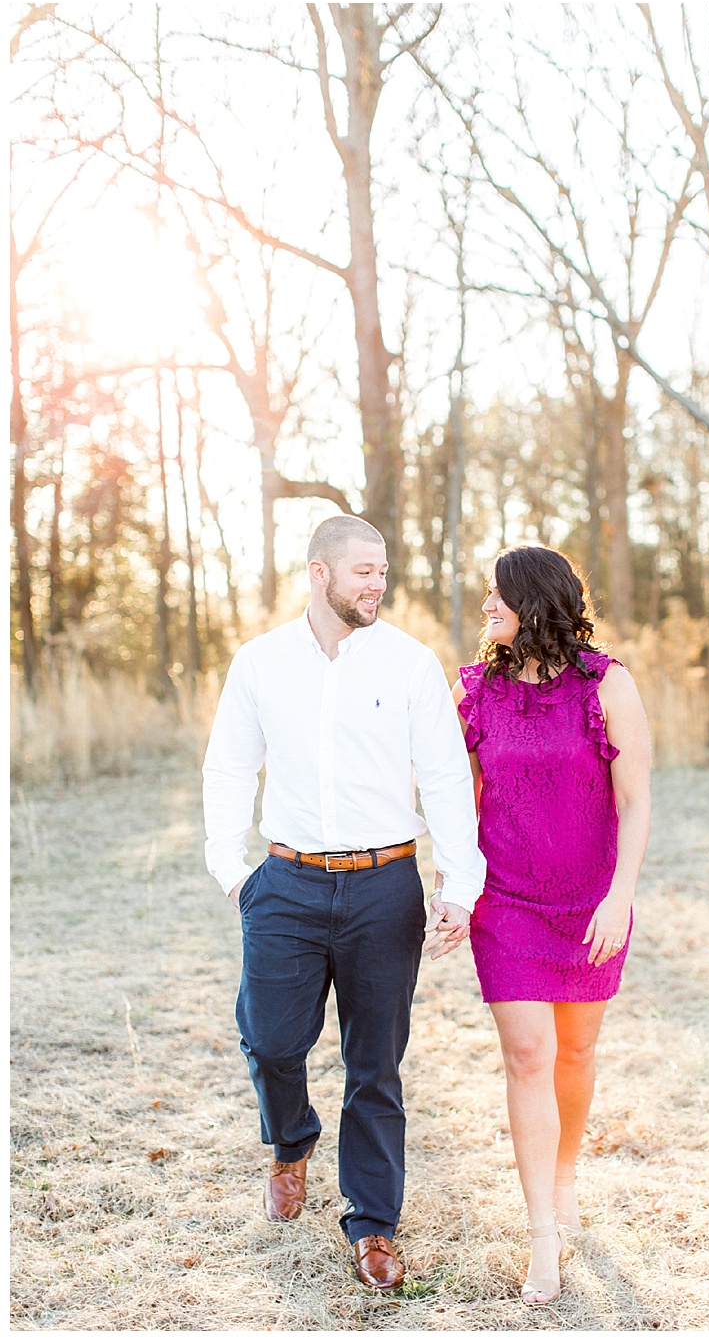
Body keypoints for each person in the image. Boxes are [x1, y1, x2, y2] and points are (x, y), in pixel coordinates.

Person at [202, 513, 485, 1293]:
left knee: (375, 1065)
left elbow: (448, 779)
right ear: (319, 573)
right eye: (363, 570)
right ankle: (290, 1143)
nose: (378, 583)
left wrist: (458, 885)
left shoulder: (410, 664)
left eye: (383, 570)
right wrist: (235, 872)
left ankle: (373, 1225)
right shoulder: (260, 663)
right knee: (270, 1040)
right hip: (285, 883)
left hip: (383, 885)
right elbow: (229, 768)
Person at [449, 544, 651, 1306]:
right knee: (529, 1054)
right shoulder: (473, 690)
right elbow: (453, 796)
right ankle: (542, 1233)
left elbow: (634, 800)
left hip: (590, 901)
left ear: (531, 600)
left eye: (495, 597)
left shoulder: (608, 684)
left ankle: (567, 1174)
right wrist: (455, 889)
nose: (484, 609)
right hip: (507, 902)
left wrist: (619, 894)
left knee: (576, 1049)